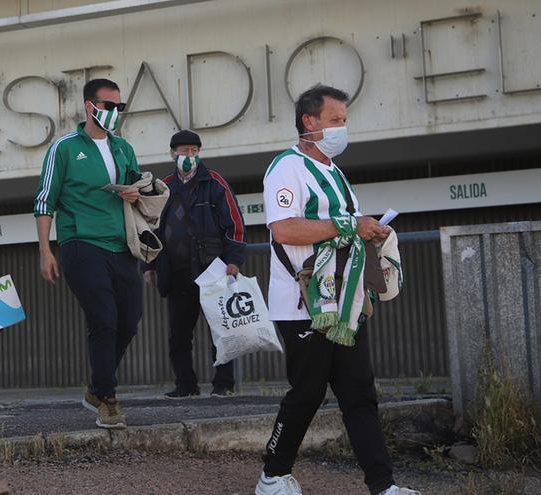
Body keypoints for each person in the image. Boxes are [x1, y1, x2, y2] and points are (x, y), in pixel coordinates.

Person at [254, 84, 418, 495]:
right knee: (307, 394)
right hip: (302, 302)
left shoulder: (336, 173)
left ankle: (384, 486)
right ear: (309, 122)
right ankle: (272, 475)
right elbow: (285, 229)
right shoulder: (285, 168)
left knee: (360, 395)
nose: (342, 129)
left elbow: (345, 227)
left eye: (344, 121)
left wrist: (371, 230)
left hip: (345, 301)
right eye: (335, 121)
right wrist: (349, 225)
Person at [34, 78, 142, 429]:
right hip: (81, 244)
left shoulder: (124, 148)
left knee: (130, 319)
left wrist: (135, 192)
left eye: (119, 107)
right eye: (108, 106)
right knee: (104, 319)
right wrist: (45, 250)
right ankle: (108, 400)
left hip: (122, 244)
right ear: (89, 106)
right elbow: (44, 200)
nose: (114, 113)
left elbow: (138, 186)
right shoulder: (63, 148)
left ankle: (96, 386)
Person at [141, 130, 246, 399]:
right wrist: (148, 266)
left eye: (193, 150)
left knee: (220, 330)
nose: (188, 155)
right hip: (175, 272)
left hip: (211, 268)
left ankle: (223, 384)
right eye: (183, 150)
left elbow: (234, 223)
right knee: (178, 335)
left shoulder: (214, 182)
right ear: (172, 153)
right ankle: (185, 385)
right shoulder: (162, 186)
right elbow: (149, 227)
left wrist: (233, 260)